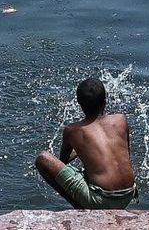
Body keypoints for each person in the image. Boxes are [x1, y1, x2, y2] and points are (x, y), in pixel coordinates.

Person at [35, 78, 138, 210]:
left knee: (43, 159)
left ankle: (82, 207)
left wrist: (79, 149)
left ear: (79, 104)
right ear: (105, 102)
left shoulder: (72, 131)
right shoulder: (121, 120)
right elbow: (124, 156)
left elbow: (63, 163)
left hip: (101, 200)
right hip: (129, 193)